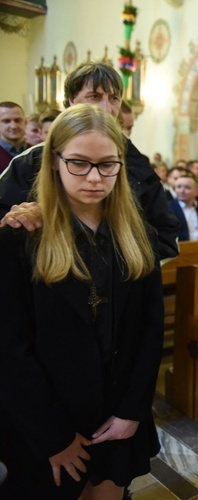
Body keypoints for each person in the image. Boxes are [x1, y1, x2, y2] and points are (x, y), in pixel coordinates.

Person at [0, 104, 163, 499]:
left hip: (115, 414)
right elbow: (9, 349)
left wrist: (130, 411)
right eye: (79, 163)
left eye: (107, 164)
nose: (94, 177)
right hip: (46, 420)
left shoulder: (137, 237)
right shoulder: (21, 237)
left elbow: (149, 331)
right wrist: (53, 435)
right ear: (54, 161)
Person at [0, 62, 179, 260]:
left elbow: (166, 238)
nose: (106, 108)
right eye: (94, 97)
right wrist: (27, 218)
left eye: (113, 98)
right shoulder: (32, 161)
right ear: (71, 102)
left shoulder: (137, 164)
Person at [168, 174, 198, 241]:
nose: (182, 191)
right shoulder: (168, 209)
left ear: (196, 192)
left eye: (187, 187)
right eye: (178, 187)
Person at [0, 101, 27, 174]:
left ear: (25, 122)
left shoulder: (36, 152)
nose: (13, 126)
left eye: (17, 120)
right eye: (6, 121)